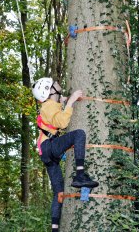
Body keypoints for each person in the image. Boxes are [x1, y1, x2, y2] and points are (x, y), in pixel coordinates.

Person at [32, 77, 99, 232]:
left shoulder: (50, 105)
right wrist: (71, 101)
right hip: (49, 147)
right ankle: (80, 175)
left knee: (59, 193)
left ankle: (55, 228)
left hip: (47, 153)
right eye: (53, 84)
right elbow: (61, 122)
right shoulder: (47, 106)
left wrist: (63, 100)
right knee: (79, 134)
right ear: (49, 91)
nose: (57, 83)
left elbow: (54, 113)